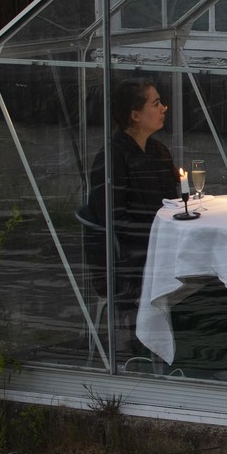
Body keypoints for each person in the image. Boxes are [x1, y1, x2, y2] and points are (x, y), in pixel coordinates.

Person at [82, 78, 178, 355]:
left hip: (158, 248)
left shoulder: (158, 151)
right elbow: (114, 220)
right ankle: (162, 350)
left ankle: (196, 354)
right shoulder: (113, 158)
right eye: (156, 103)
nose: (164, 108)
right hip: (126, 258)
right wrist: (160, 238)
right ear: (135, 115)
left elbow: (170, 204)